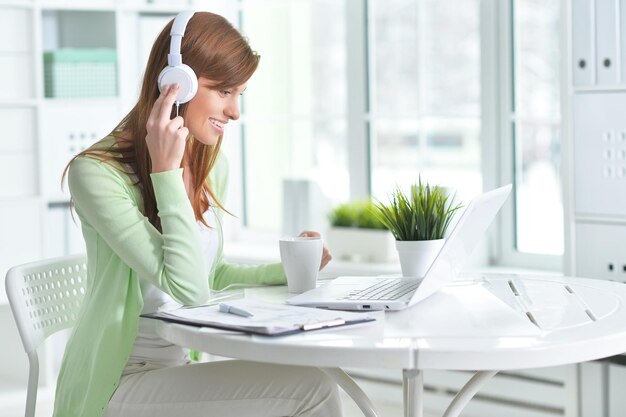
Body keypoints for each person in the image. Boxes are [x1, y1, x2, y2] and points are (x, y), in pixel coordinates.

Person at [54, 11, 340, 417]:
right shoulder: (97, 174)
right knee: (312, 389)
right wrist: (166, 173)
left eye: (239, 93)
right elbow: (189, 288)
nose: (235, 111)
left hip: (176, 371)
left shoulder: (208, 164)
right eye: (224, 91)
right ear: (176, 84)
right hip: (117, 383)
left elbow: (211, 274)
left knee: (306, 378)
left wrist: (290, 268)